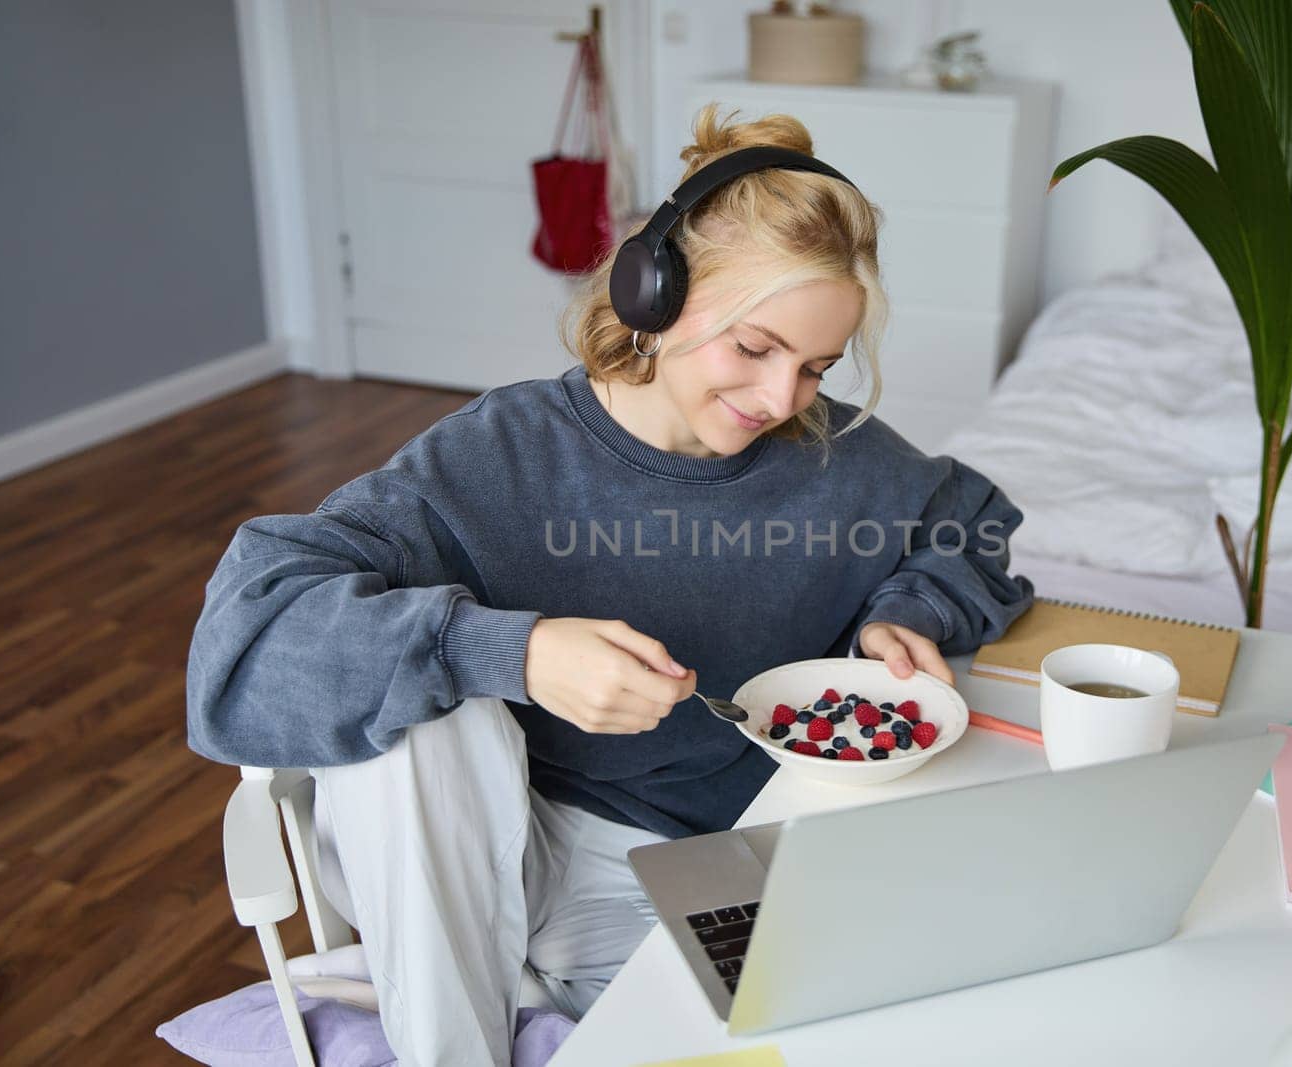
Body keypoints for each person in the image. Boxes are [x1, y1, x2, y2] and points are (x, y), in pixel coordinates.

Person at [185, 103, 1036, 1066]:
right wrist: (515, 651)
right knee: (425, 700)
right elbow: (250, 629)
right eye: (754, 349)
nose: (779, 399)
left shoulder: (839, 458)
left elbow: (972, 525)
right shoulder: (499, 456)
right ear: (655, 296)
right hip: (481, 855)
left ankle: (555, 996)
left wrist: (904, 612)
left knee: (913, 1007)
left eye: (816, 366)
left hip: (687, 868)